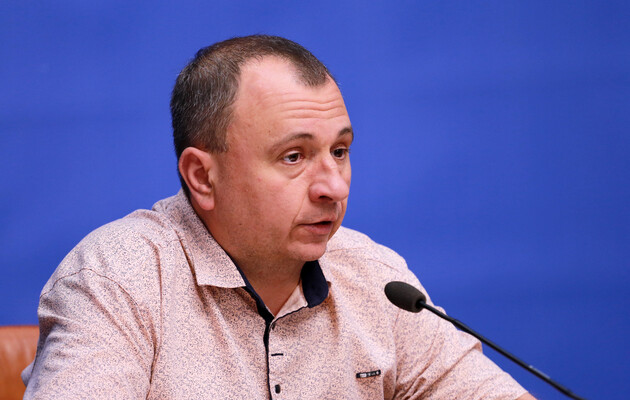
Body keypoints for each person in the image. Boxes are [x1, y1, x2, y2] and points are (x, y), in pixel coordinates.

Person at [22, 35, 535, 399]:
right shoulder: (119, 277)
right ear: (202, 176)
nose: (334, 186)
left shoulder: (375, 278)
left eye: (339, 151)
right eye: (294, 157)